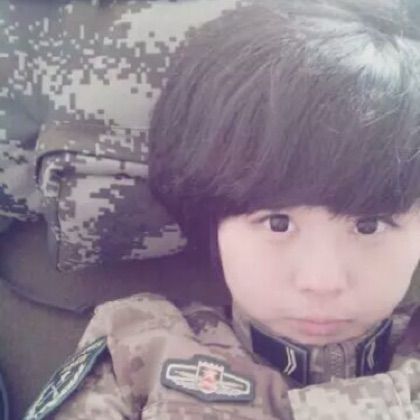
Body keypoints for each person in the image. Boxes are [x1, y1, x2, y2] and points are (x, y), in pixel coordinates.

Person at [24, 0, 420, 418]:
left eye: (370, 225)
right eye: (278, 223)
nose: (321, 282)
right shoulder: (138, 347)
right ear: (211, 217)